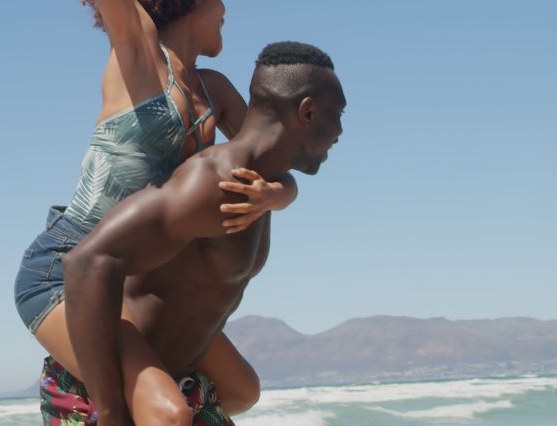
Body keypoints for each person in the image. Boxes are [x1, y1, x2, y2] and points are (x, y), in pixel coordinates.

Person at [14, 0, 297, 421]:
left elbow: (274, 162)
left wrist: (274, 196)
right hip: (66, 269)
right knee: (166, 412)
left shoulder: (216, 91)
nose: (226, 12)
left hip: (132, 276)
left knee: (241, 392)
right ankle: (82, 399)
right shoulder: (141, 57)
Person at [54, 41, 347, 425]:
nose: (341, 130)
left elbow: (287, 184)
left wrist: (277, 195)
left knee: (243, 393)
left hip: (184, 387)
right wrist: (110, 412)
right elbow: (85, 263)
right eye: (337, 114)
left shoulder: (260, 187)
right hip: (104, 395)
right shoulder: (211, 181)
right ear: (307, 112)